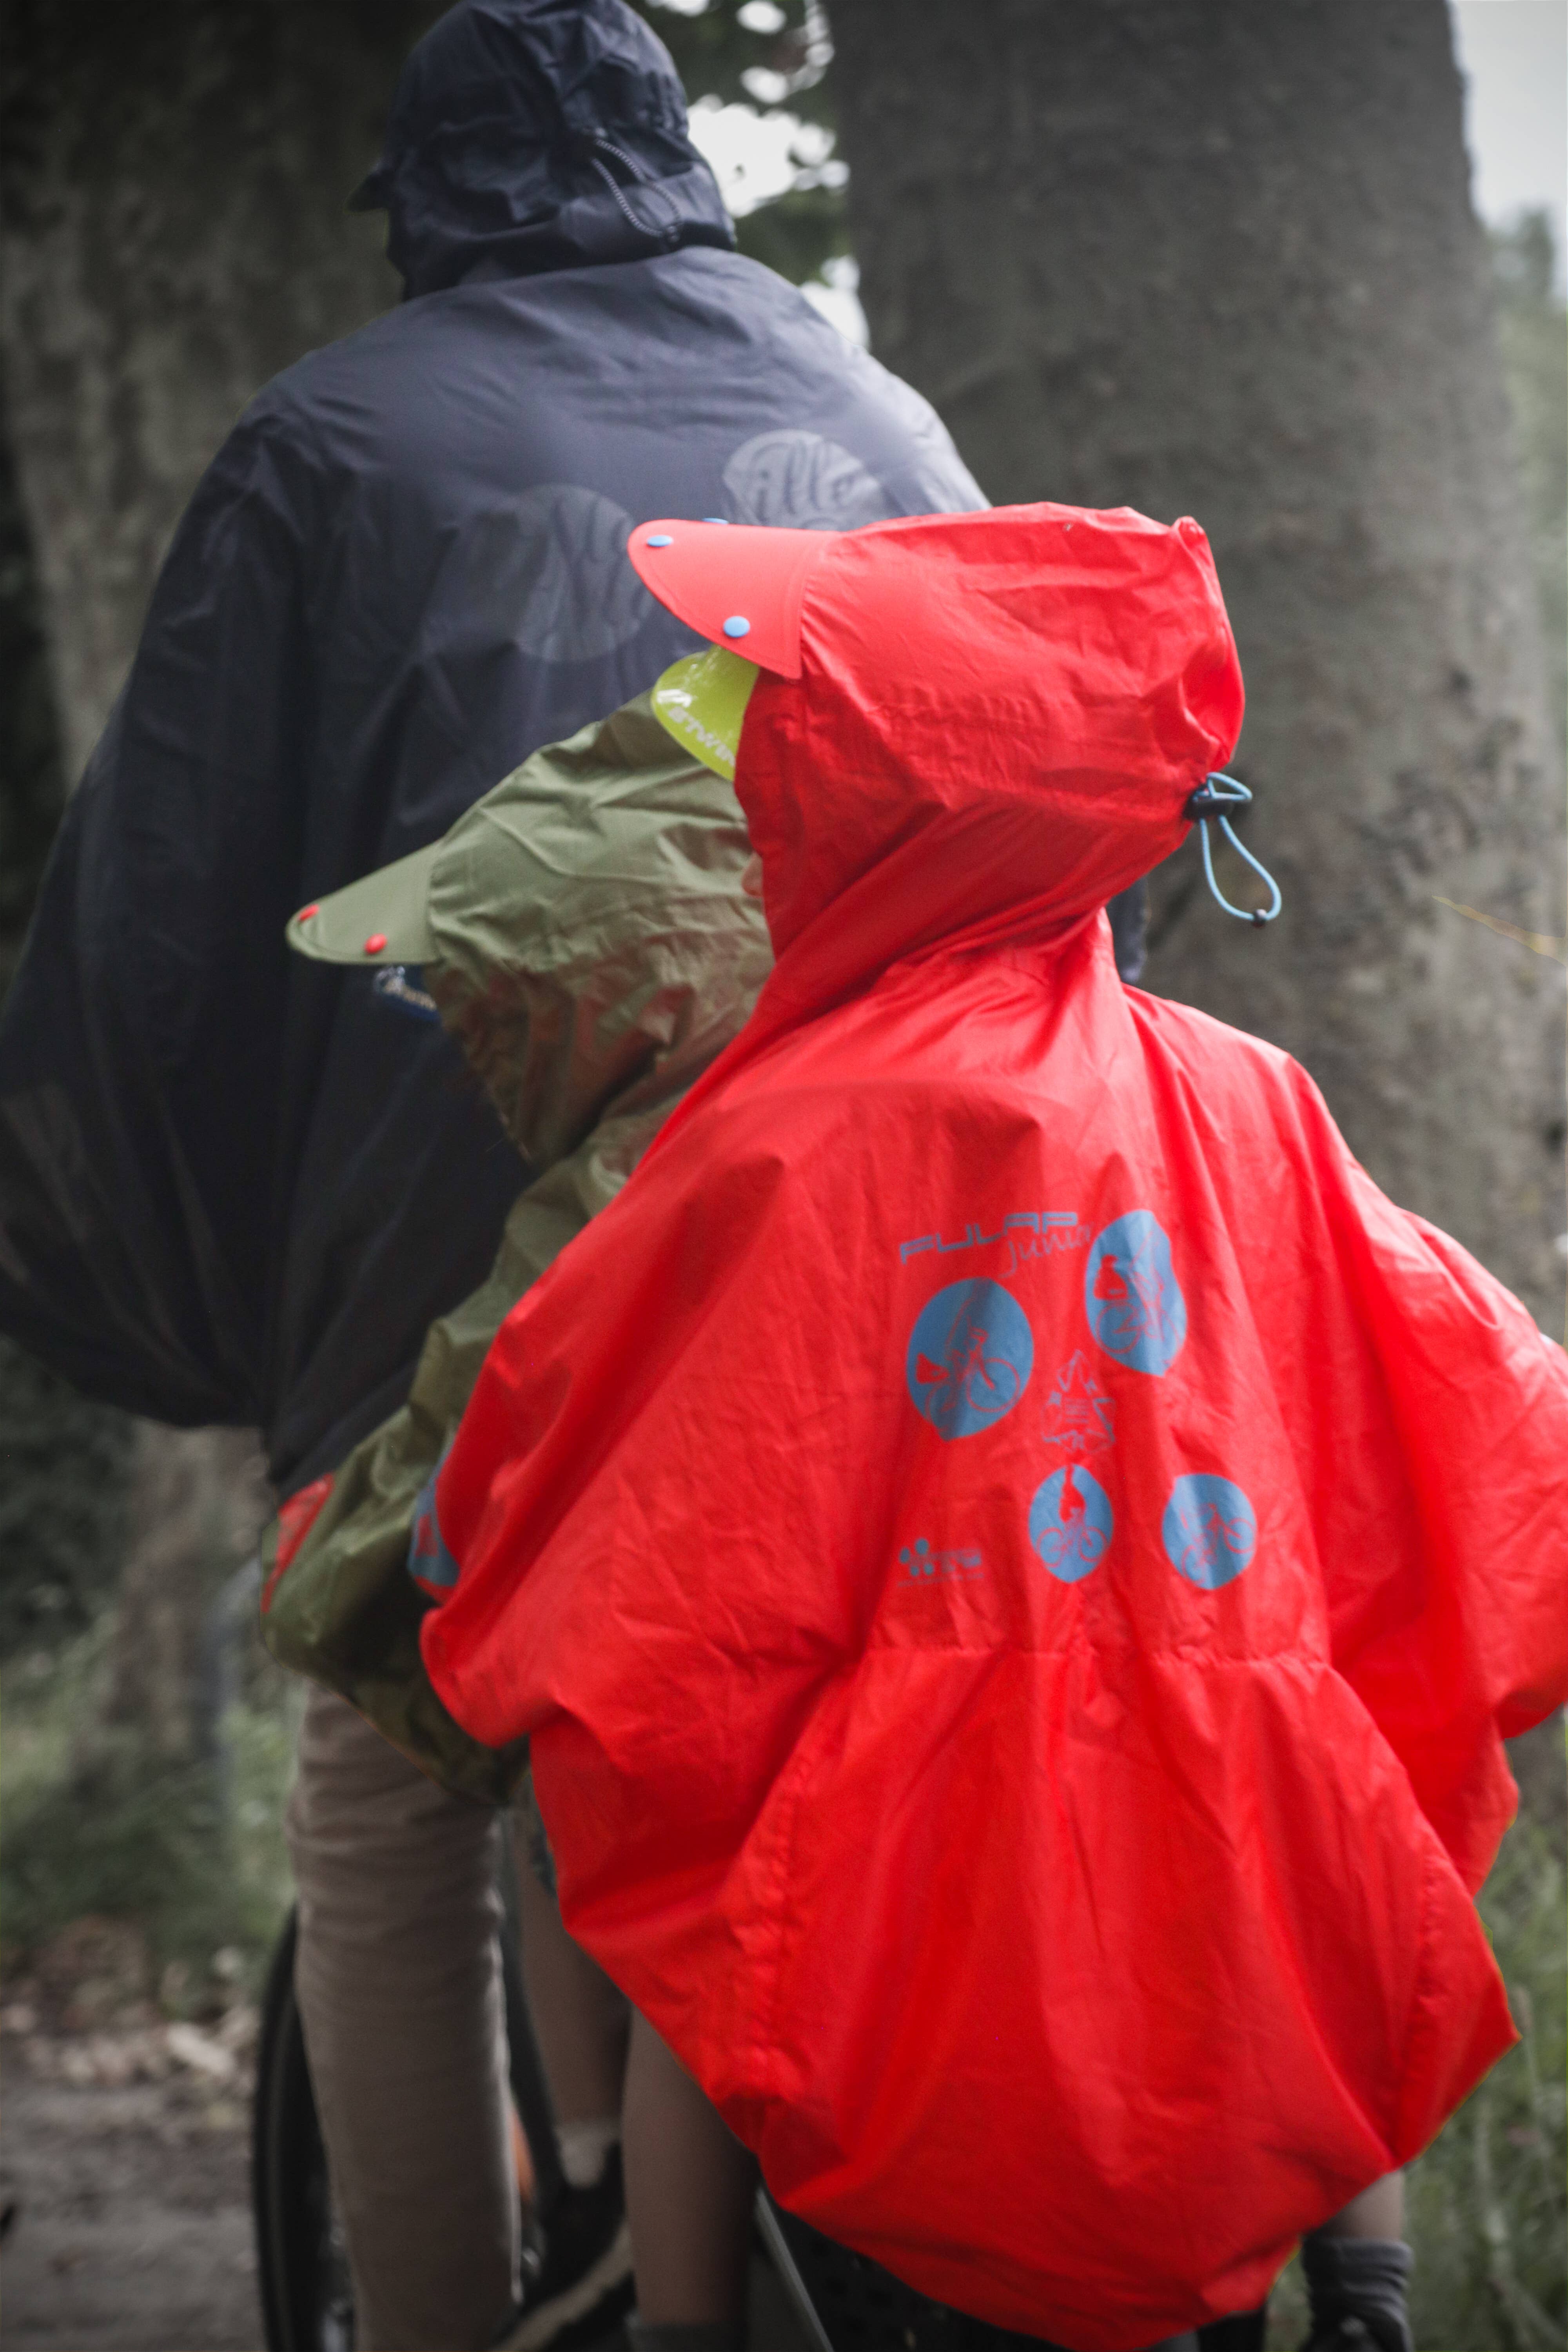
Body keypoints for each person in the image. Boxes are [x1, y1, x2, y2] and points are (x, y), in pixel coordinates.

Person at [0, 4, 998, 2343]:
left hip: (458, 1243)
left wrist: (181, 1258)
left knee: (396, 1793)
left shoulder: (332, 437)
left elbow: (166, 919)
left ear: (434, 205)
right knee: (731, 1719)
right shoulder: (883, 414)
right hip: (876, 1233)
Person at [346, 501, 1565, 2351]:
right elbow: (1476, 1416)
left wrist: (443, 1539)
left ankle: (674, 2324)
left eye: (788, 730)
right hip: (1231, 1937)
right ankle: (1370, 2287)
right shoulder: (1245, 1098)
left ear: (871, 807)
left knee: (690, 1868)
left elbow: (600, 1460)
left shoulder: (785, 1133)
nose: (758, 766)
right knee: (1329, 1822)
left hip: (893, 1970)